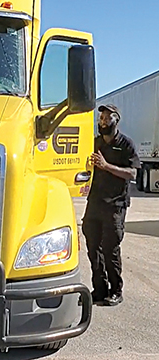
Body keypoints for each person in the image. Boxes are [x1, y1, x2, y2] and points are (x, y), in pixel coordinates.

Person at [81, 104, 141, 306]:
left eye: (107, 118)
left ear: (116, 120)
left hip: (115, 205)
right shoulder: (95, 143)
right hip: (95, 203)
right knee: (92, 247)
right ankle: (99, 289)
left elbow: (132, 173)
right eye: (101, 118)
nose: (103, 121)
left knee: (110, 249)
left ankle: (116, 290)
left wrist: (107, 166)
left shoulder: (126, 144)